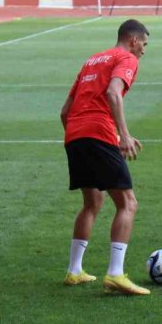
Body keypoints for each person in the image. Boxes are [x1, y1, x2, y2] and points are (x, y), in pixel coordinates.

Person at [60, 19, 151, 296]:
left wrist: (80, 136)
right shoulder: (126, 58)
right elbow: (113, 92)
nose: (143, 51)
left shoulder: (92, 61)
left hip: (74, 134)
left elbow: (65, 111)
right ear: (133, 40)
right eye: (144, 44)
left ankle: (74, 271)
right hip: (99, 133)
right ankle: (115, 274)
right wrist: (122, 134)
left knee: (92, 202)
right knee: (128, 203)